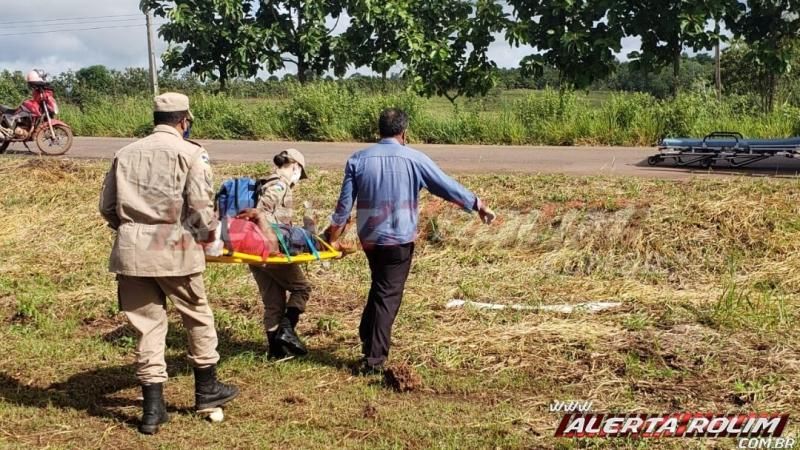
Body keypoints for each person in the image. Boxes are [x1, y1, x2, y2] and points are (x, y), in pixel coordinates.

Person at [99, 92, 238, 435]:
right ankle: (206, 390)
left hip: (132, 251)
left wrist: (131, 231)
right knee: (197, 315)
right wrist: (207, 236)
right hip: (175, 246)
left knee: (147, 327)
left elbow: (107, 207)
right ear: (184, 121)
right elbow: (201, 208)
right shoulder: (191, 153)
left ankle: (152, 410)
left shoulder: (125, 153)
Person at [324, 108, 496, 375]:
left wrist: (331, 238)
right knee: (388, 295)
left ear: (379, 130)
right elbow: (445, 185)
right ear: (404, 133)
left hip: (369, 238)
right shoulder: (415, 159)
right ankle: (374, 360)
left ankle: (367, 334)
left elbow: (343, 207)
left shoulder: (358, 159)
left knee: (381, 285)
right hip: (399, 240)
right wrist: (477, 204)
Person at [247, 149, 314, 359]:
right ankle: (287, 330)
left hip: (254, 251)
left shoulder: (264, 183)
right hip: (271, 249)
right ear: (295, 166)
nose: (298, 179)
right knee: (302, 288)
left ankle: (276, 352)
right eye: (300, 173)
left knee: (274, 302)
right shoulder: (279, 185)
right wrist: (273, 242)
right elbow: (261, 212)